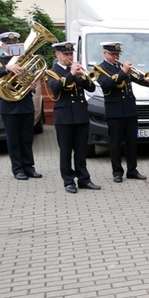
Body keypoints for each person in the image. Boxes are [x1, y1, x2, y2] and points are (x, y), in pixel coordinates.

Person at [44, 42, 101, 193]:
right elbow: (56, 88)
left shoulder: (76, 70)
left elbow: (91, 88)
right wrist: (72, 74)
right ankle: (68, 181)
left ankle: (84, 179)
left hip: (80, 114)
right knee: (66, 151)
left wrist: (84, 75)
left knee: (81, 150)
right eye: (66, 54)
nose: (69, 57)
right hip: (64, 117)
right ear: (58, 55)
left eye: (71, 54)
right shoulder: (51, 72)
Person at [94, 42, 149, 182]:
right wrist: (123, 72)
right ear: (105, 53)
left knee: (132, 142)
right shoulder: (99, 68)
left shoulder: (123, 67)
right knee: (115, 142)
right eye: (112, 54)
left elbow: (137, 79)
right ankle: (117, 172)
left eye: (117, 54)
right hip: (114, 111)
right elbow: (106, 85)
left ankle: (132, 170)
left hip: (130, 110)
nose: (116, 56)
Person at [0, 31, 43, 180]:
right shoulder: (0, 60)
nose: (12, 46)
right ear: (3, 46)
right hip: (8, 105)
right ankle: (18, 169)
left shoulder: (25, 60)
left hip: (25, 104)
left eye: (15, 44)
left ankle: (29, 167)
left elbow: (32, 76)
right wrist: (6, 69)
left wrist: (31, 85)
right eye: (9, 44)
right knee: (13, 139)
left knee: (26, 138)